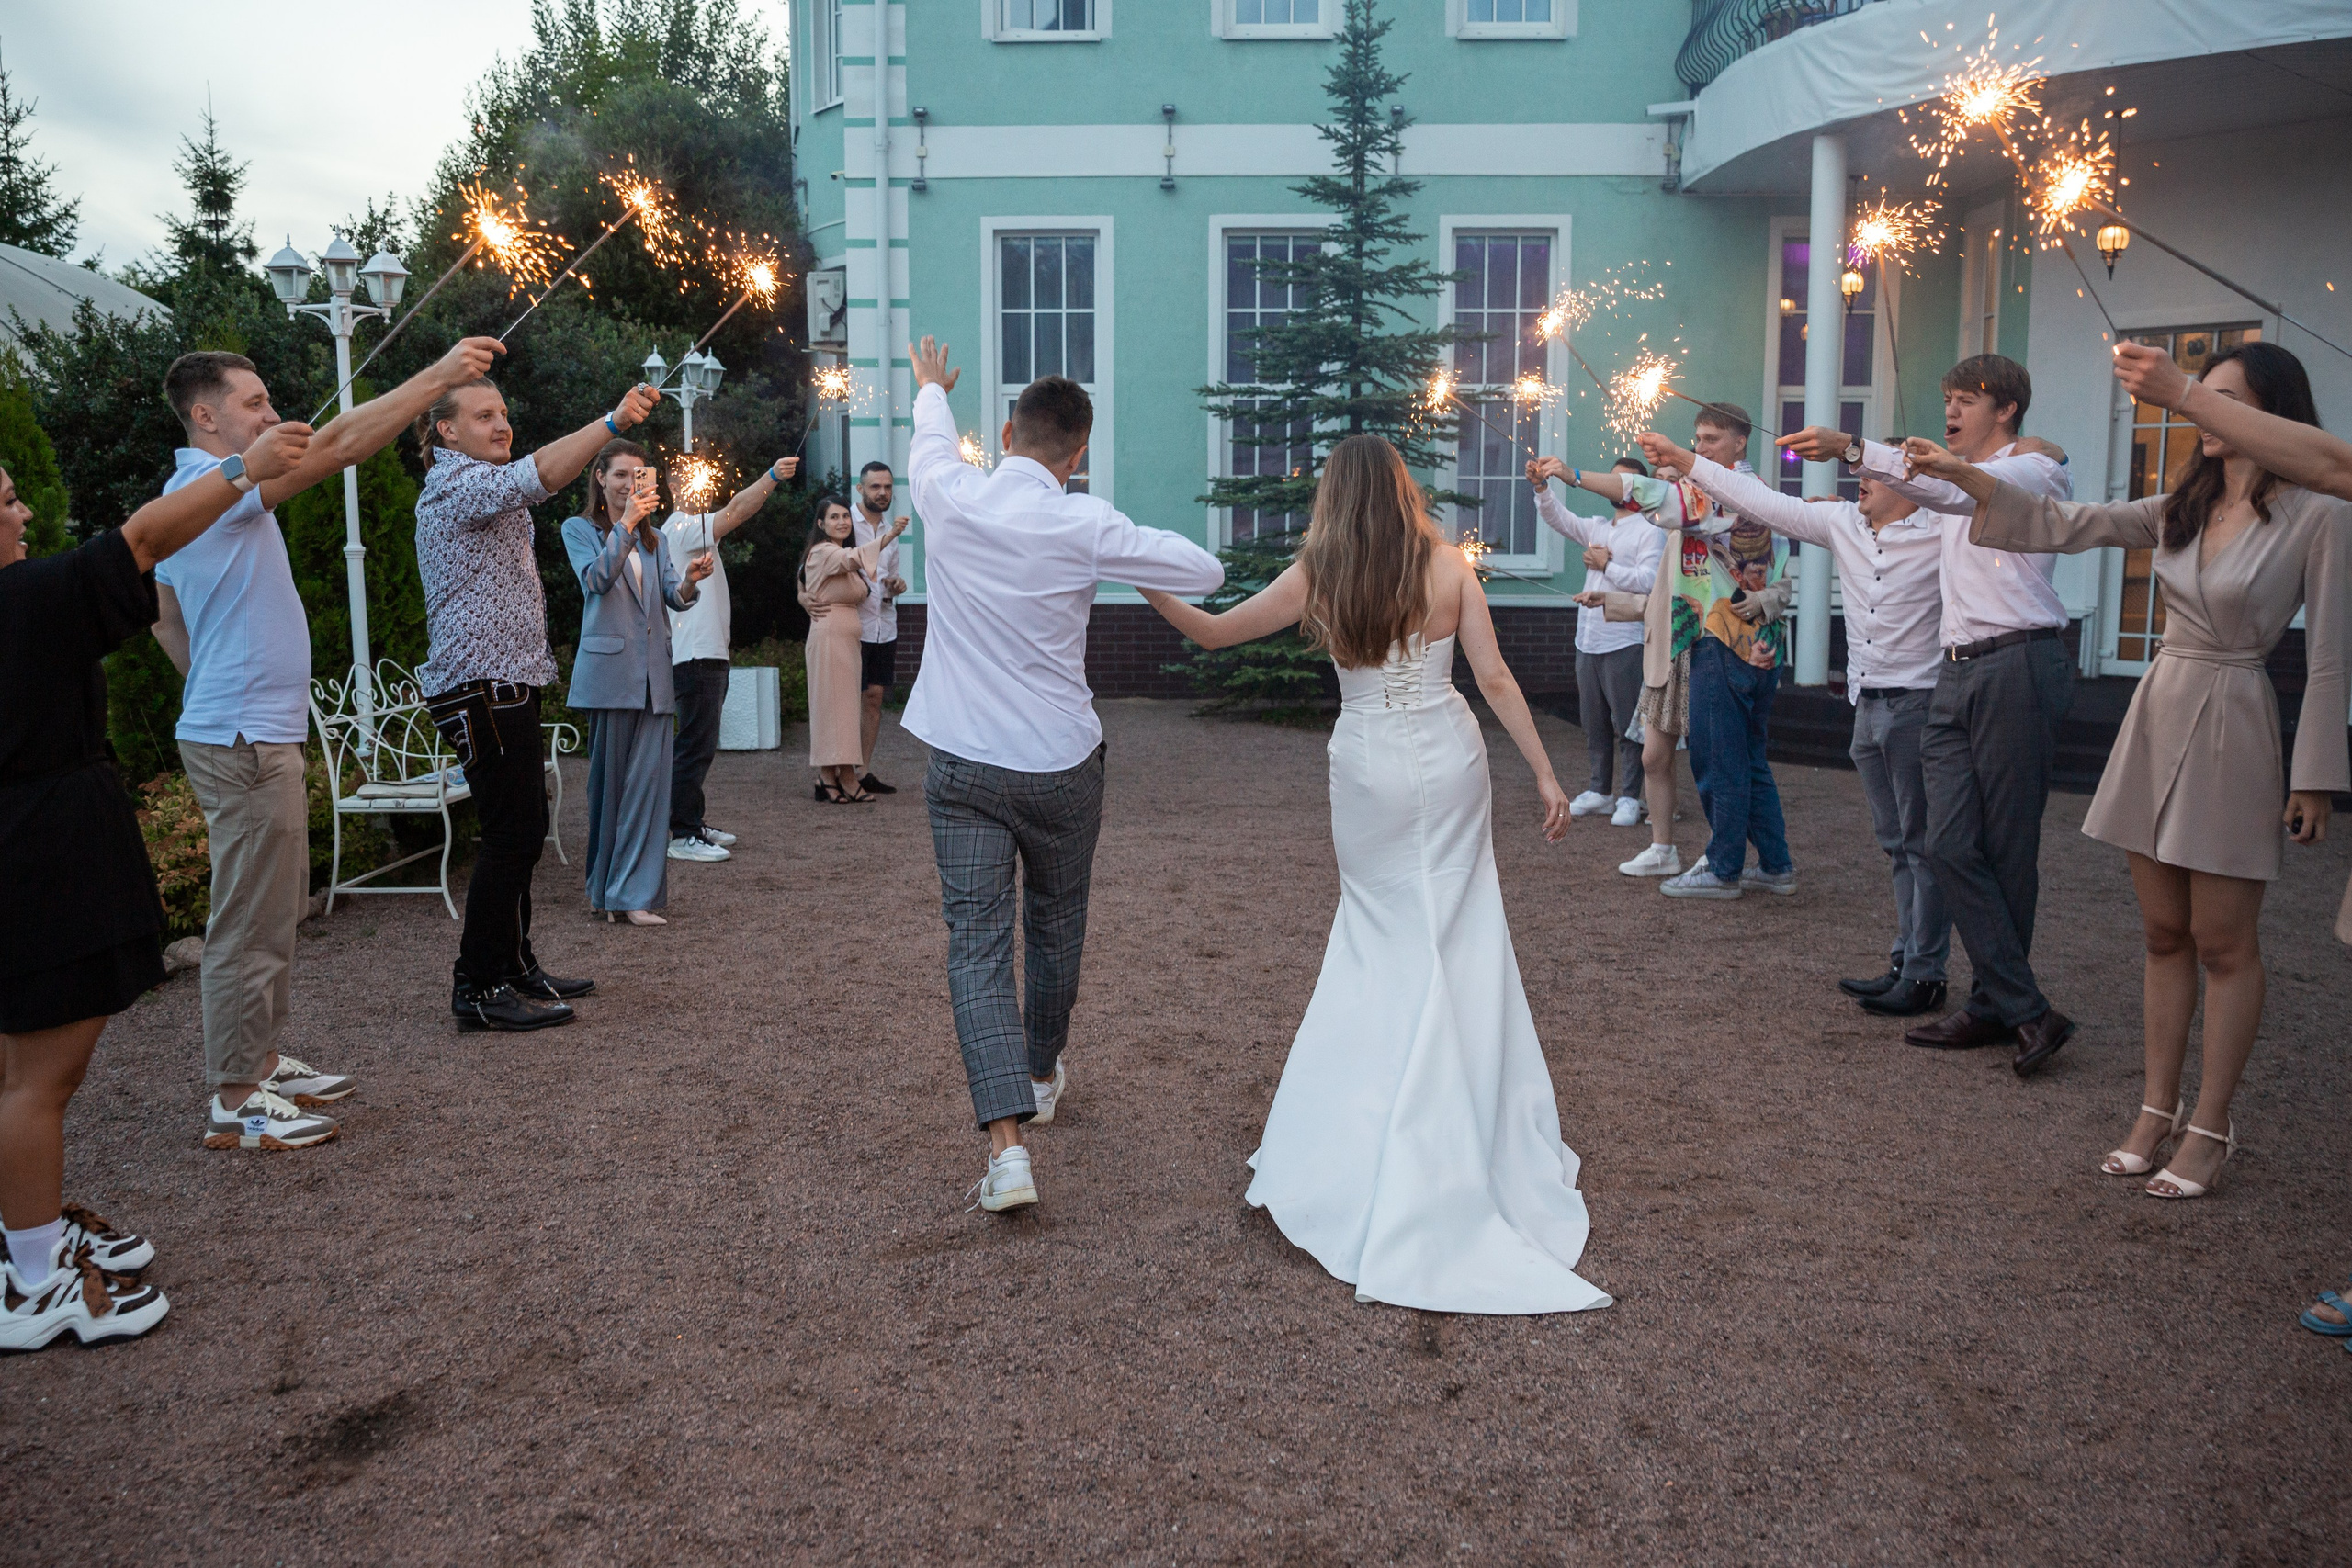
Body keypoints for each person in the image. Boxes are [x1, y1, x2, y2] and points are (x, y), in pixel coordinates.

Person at [1138, 434, 1607, 1315]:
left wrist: (1135, 572)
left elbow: (1208, 633)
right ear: (1401, 492)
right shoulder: (1448, 566)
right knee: (1459, 931)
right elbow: (1497, 678)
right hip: (1448, 749)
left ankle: (1365, 1124)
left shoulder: (1318, 573)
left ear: (1333, 498)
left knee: (1378, 933)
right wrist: (1546, 774)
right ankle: (1464, 1109)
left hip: (1367, 767)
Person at [1909, 342, 2346, 1196]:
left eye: (2223, 399)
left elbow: (2330, 657)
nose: (2201, 414)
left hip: (2235, 718)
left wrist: (2316, 773)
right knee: (2161, 934)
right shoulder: (2182, 503)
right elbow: (2075, 524)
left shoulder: (2318, 512)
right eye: (2200, 397)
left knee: (2224, 943)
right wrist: (1971, 482)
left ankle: (2212, 1123)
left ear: (2267, 413)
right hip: (2157, 711)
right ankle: (2155, 1108)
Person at [148, 339, 503, 1153]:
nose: (272, 416)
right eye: (254, 403)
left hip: (242, 725)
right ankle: (237, 1096)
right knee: (247, 918)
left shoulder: (194, 492)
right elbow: (341, 444)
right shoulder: (212, 482)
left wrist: (209, 681)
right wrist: (440, 377)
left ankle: (260, 1061)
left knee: (271, 909)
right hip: (242, 736)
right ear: (205, 417)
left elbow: (164, 606)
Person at [2, 422, 311, 1348]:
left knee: (18, 1075)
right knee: (35, 1085)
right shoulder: (21, 601)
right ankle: (31, 1280)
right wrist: (244, 470)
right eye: (6, 502)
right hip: (40, 855)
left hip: (27, 844)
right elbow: (141, 541)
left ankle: (29, 1231)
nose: (22, 513)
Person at [903, 334, 1223, 1213]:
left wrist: (932, 387)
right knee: (1055, 925)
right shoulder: (1087, 522)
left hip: (964, 759)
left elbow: (928, 442)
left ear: (1007, 434)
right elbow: (1206, 570)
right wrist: (1123, 562)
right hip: (1059, 763)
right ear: (1077, 453)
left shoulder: (952, 495)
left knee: (975, 943)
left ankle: (1006, 1147)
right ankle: (1040, 1072)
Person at [1782, 354, 2078, 1074]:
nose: (1950, 409)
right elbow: (1942, 488)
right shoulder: (1956, 477)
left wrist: (1858, 448)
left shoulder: (2033, 472)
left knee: (2008, 846)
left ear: (2005, 410)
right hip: (1955, 669)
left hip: (2019, 662)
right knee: (1944, 844)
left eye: (1965, 399)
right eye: (1946, 397)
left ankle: (1991, 1003)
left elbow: (1967, 489)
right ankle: (2024, 1007)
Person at [1637, 428, 1951, 1016]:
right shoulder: (1845, 525)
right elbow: (1767, 506)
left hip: (1920, 702)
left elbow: (2038, 475)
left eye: (1876, 474)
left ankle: (1927, 970)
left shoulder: (1943, 530)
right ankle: (1906, 961)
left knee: (1921, 842)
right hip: (1867, 700)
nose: (1861, 482)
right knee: (1895, 842)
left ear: (1912, 485)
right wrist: (1685, 462)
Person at [414, 375, 660, 1031]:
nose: (502, 424)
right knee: (512, 833)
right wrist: (610, 422)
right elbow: (541, 473)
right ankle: (478, 986)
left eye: (504, 411)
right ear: (446, 430)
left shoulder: (478, 482)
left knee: (522, 827)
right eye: (484, 415)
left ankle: (517, 964)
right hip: (478, 685)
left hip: (506, 683)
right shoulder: (455, 482)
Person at [1562, 410, 1796, 899]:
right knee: (1751, 761)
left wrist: (1574, 475)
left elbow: (1648, 494)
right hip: (1758, 650)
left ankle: (1724, 869)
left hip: (1721, 645)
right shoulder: (1759, 494)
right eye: (1697, 439)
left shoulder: (1719, 491)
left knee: (1720, 761)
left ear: (1740, 443)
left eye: (1712, 439)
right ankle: (1775, 866)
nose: (1703, 447)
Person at [562, 446, 714, 926]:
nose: (630, 483)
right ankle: (605, 892)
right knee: (608, 789)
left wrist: (690, 582)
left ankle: (634, 895)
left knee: (649, 790)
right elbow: (597, 580)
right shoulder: (579, 530)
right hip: (609, 676)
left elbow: (672, 594)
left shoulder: (656, 541)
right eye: (621, 474)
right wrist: (625, 525)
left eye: (638, 475)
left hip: (654, 674)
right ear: (600, 478)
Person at [662, 455, 799, 863]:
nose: (695, 484)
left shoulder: (693, 529)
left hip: (708, 655)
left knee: (699, 744)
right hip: (695, 656)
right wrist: (771, 476)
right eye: (685, 478)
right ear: (672, 487)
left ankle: (691, 821)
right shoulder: (682, 528)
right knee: (693, 746)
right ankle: (682, 832)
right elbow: (737, 510)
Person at [1528, 455, 1662, 826]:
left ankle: (1631, 797)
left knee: (1628, 723)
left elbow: (1650, 582)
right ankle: (1601, 790)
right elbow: (1560, 520)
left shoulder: (1651, 531)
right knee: (1594, 721)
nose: (1612, 485)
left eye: (1622, 481)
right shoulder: (1599, 527)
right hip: (1587, 639)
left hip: (1625, 640)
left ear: (1640, 488)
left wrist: (1607, 566)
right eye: (1611, 479)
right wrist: (1542, 487)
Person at [801, 497, 906, 803]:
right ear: (821, 525)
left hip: (848, 637)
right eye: (834, 517)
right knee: (832, 708)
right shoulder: (824, 552)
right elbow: (853, 559)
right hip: (830, 634)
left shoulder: (841, 556)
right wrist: (889, 535)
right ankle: (837, 775)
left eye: (846, 516)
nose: (843, 522)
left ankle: (834, 775)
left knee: (844, 709)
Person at [852, 460, 910, 794]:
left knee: (874, 697)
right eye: (875, 486)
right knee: (849, 697)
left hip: (883, 623)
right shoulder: (845, 521)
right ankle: (840, 770)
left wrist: (895, 584)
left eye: (887, 487)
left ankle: (863, 770)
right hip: (853, 624)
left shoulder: (892, 528)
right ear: (861, 489)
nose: (883, 492)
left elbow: (886, 577)